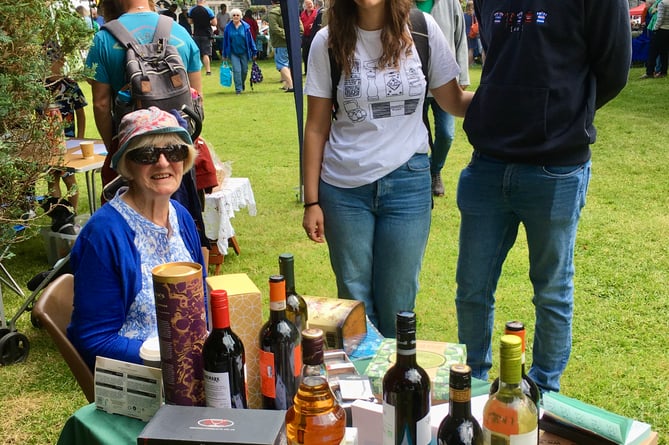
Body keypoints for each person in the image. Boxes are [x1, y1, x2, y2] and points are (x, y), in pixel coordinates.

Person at [455, 0, 631, 393]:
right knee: (472, 287)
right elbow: (497, 55)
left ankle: (545, 388)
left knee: (551, 289)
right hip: (488, 163)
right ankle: (476, 384)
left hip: (556, 168)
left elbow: (614, 71)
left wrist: (562, 115)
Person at [302, 0, 473, 337]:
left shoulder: (422, 30)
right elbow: (316, 126)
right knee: (355, 304)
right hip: (344, 189)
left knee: (399, 302)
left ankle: (395, 383)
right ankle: (363, 386)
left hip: (408, 184)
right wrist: (311, 201)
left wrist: (509, 97)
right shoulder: (327, 41)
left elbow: (453, 100)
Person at [67, 107, 206, 370]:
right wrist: (172, 359)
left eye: (174, 151)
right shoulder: (105, 234)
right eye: (147, 154)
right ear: (127, 165)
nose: (163, 163)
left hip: (193, 369)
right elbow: (94, 339)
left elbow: (202, 300)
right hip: (141, 381)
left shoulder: (181, 216)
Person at [87, 0, 202, 188]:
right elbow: (196, 99)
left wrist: (115, 148)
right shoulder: (181, 32)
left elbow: (100, 104)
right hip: (177, 150)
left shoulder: (103, 39)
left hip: (134, 153)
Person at [415, 0, 469, 197]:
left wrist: (462, 77)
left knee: (447, 134)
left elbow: (460, 38)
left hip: (446, 83)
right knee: (415, 137)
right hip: (413, 84)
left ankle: (434, 169)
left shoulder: (450, 3)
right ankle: (419, 177)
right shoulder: (399, 4)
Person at [45, 45, 87, 213]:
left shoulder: (70, 85)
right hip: (46, 140)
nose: (62, 62)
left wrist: (80, 139)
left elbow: (81, 113)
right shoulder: (39, 87)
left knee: (69, 178)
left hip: (68, 139)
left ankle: (73, 213)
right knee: (52, 178)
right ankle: (58, 216)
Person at [269, 0, 303, 92]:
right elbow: (301, 28)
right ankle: (287, 85)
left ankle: (291, 85)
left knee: (281, 64)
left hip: (280, 42)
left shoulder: (272, 13)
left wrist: (286, 35)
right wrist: (292, 36)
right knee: (289, 64)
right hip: (293, 42)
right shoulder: (292, 11)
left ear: (272, 2)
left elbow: (274, 28)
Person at [222, 8, 258, 94]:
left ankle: (242, 83)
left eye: (237, 15)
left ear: (240, 16)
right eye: (234, 15)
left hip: (244, 52)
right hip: (234, 53)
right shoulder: (228, 28)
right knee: (237, 70)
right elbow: (225, 41)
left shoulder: (246, 27)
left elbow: (250, 40)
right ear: (231, 16)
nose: (235, 17)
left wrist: (254, 51)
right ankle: (238, 89)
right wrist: (224, 54)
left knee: (244, 70)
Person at [642, 0, 669, 78]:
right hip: (667, 30)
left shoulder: (662, 3)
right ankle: (663, 71)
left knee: (652, 52)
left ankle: (649, 72)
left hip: (660, 30)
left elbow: (660, 18)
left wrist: (655, 28)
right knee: (664, 52)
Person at [189, 0, 217, 75]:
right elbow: (215, 23)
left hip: (196, 33)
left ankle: (196, 70)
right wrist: (208, 22)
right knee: (206, 53)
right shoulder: (208, 10)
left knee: (196, 53)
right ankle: (208, 71)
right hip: (206, 34)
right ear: (204, 1)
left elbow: (190, 21)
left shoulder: (192, 10)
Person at [300, 0, 318, 74]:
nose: (309, 5)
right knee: (305, 54)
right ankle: (306, 71)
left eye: (310, 4)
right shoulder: (302, 14)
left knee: (314, 53)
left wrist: (313, 25)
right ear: (305, 6)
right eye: (307, 4)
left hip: (313, 36)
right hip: (305, 36)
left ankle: (314, 71)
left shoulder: (316, 13)